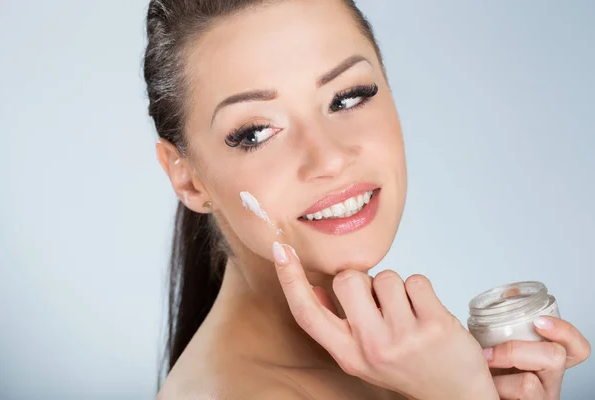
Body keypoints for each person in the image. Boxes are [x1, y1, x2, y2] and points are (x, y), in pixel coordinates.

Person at [144, 0, 591, 398]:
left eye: (347, 97)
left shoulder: (403, 362)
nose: (330, 158)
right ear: (188, 180)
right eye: (256, 132)